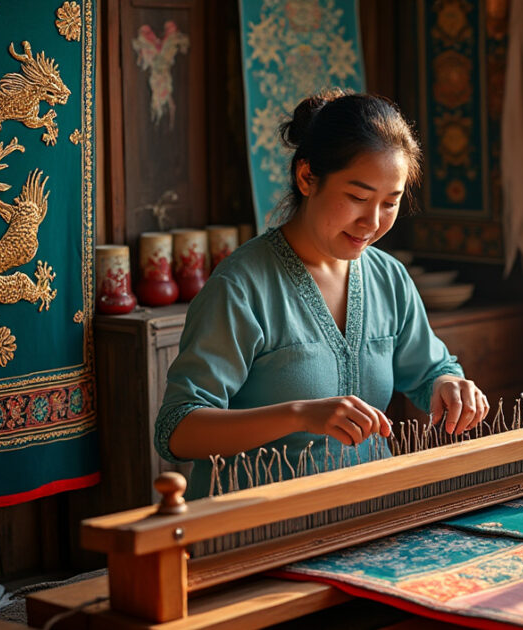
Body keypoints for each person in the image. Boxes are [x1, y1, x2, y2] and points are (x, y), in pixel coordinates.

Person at [154, 90, 488, 497]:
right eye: (358, 198)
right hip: (258, 525)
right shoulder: (243, 285)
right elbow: (177, 429)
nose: (372, 222)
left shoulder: (389, 279)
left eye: (390, 203)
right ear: (307, 177)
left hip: (366, 516)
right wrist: (298, 415)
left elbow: (431, 371)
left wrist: (449, 384)